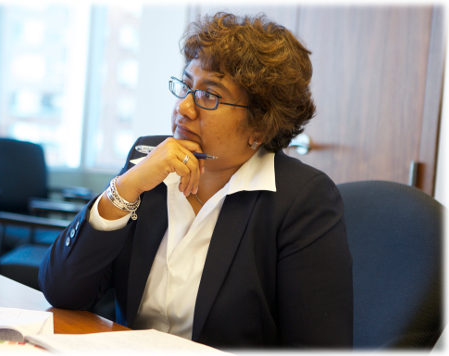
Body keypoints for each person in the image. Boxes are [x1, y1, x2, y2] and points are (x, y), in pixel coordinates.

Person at [39, 12, 353, 349]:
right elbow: (63, 291)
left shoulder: (302, 200)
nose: (184, 108)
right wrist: (127, 187)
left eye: (209, 96)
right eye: (186, 86)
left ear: (261, 125)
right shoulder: (148, 160)